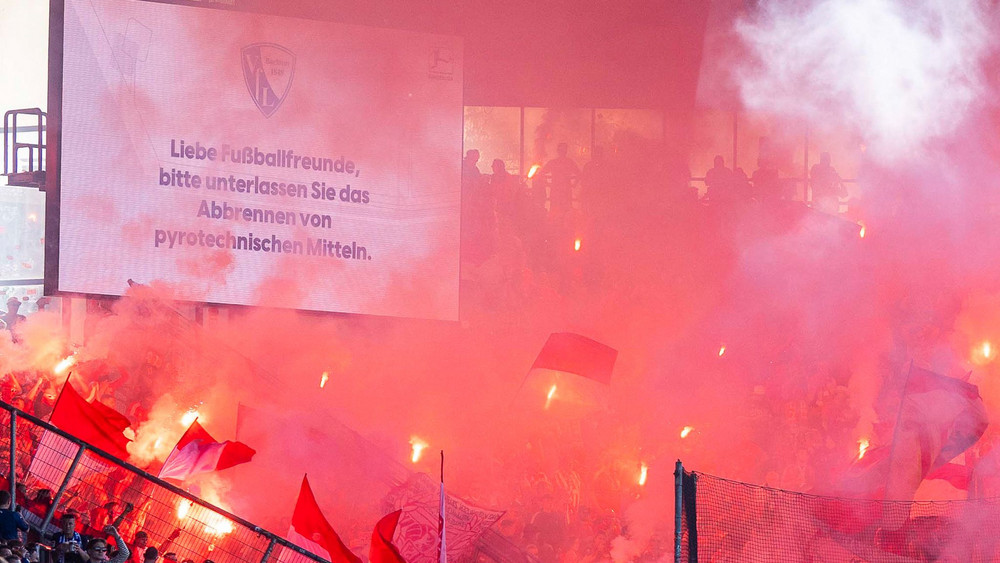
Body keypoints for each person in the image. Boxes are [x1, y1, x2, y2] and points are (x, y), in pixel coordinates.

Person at [539, 143, 580, 218]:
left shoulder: (554, 162)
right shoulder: (569, 162)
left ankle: (555, 227)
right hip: (565, 190)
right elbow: (579, 174)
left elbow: (541, 173)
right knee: (565, 211)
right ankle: (564, 227)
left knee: (556, 210)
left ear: (558, 151)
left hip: (557, 190)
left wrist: (547, 184)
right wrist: (574, 184)